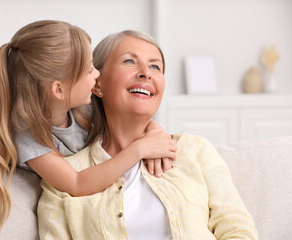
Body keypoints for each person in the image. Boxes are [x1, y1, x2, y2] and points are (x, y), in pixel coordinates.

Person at [38, 30, 258, 239]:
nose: (146, 72)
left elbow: (238, 230)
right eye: (129, 61)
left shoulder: (194, 149)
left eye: (155, 66)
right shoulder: (64, 178)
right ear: (97, 83)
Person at [0, 20, 177, 238]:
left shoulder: (81, 109)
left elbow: (131, 115)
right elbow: (77, 183)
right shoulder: (29, 139)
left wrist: (154, 131)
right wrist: (141, 149)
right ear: (59, 89)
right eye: (89, 70)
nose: (97, 75)